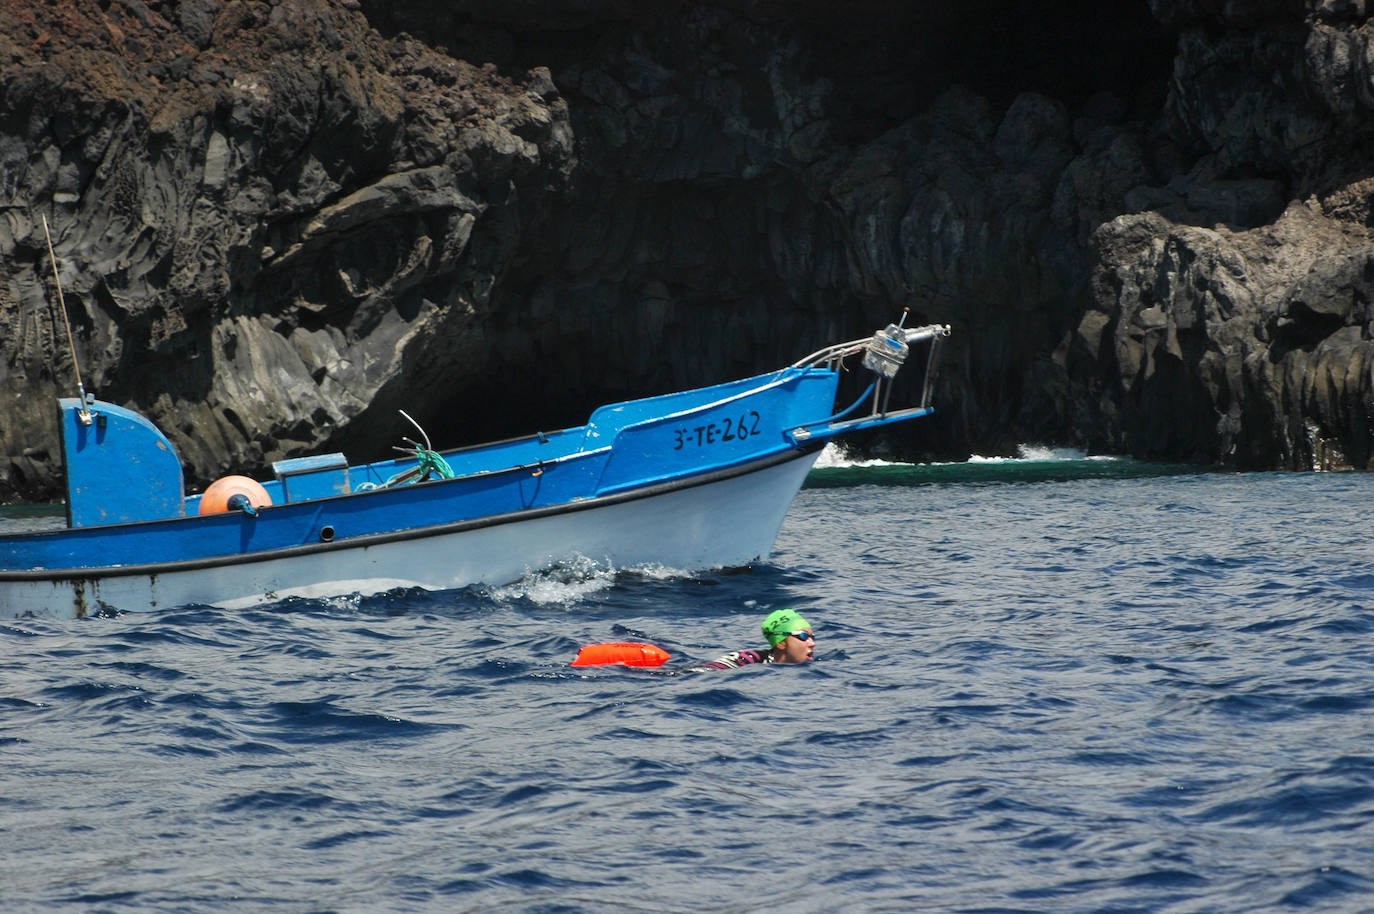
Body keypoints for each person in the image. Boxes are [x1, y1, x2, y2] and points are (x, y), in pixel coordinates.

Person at [682, 608, 816, 671]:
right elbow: (699, 672)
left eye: (812, 637)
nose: (812, 643)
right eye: (803, 636)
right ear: (781, 643)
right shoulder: (748, 659)